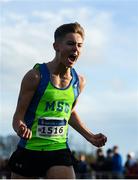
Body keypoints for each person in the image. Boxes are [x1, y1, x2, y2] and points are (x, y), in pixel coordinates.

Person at [8, 22, 107, 179]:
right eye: (71, 44)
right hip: (30, 149)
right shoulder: (35, 76)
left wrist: (89, 136)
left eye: (80, 45)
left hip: (58, 149)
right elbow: (18, 117)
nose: (76, 49)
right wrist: (20, 127)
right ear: (56, 46)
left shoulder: (78, 82)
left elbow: (69, 112)